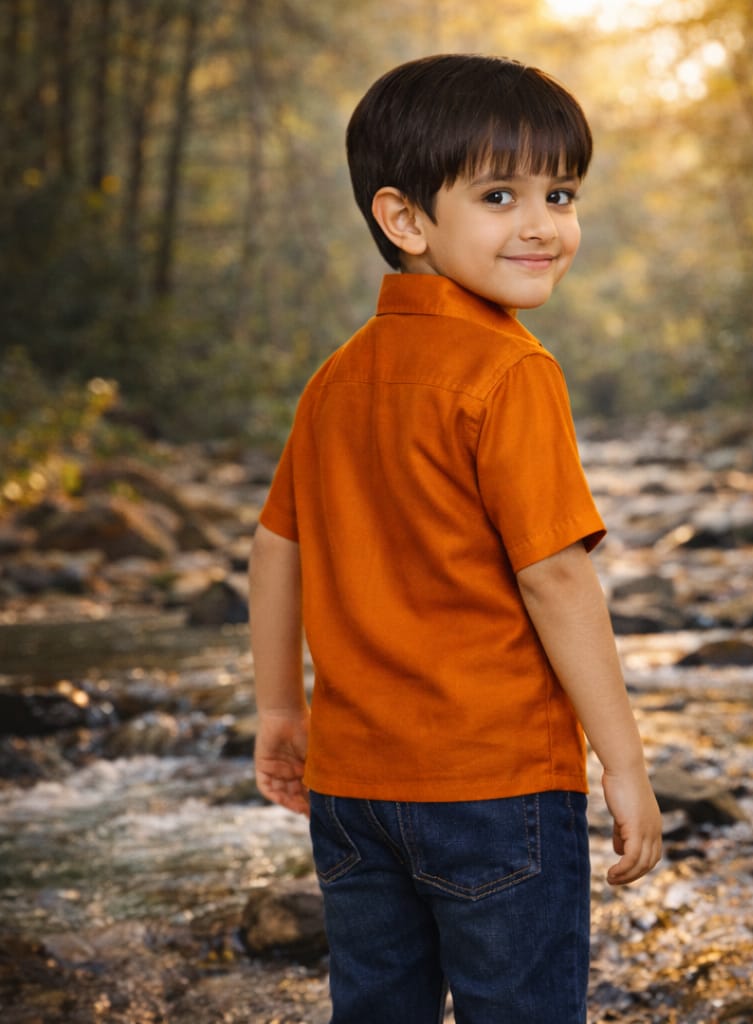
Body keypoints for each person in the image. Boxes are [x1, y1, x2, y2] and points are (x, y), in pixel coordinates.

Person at [249, 53, 662, 1024]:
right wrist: (625, 763)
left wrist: (278, 714)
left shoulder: (336, 379)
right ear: (405, 220)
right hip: (496, 785)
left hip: (352, 787)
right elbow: (555, 577)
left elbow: (276, 549)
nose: (541, 224)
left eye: (560, 193)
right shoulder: (510, 371)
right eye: (498, 193)